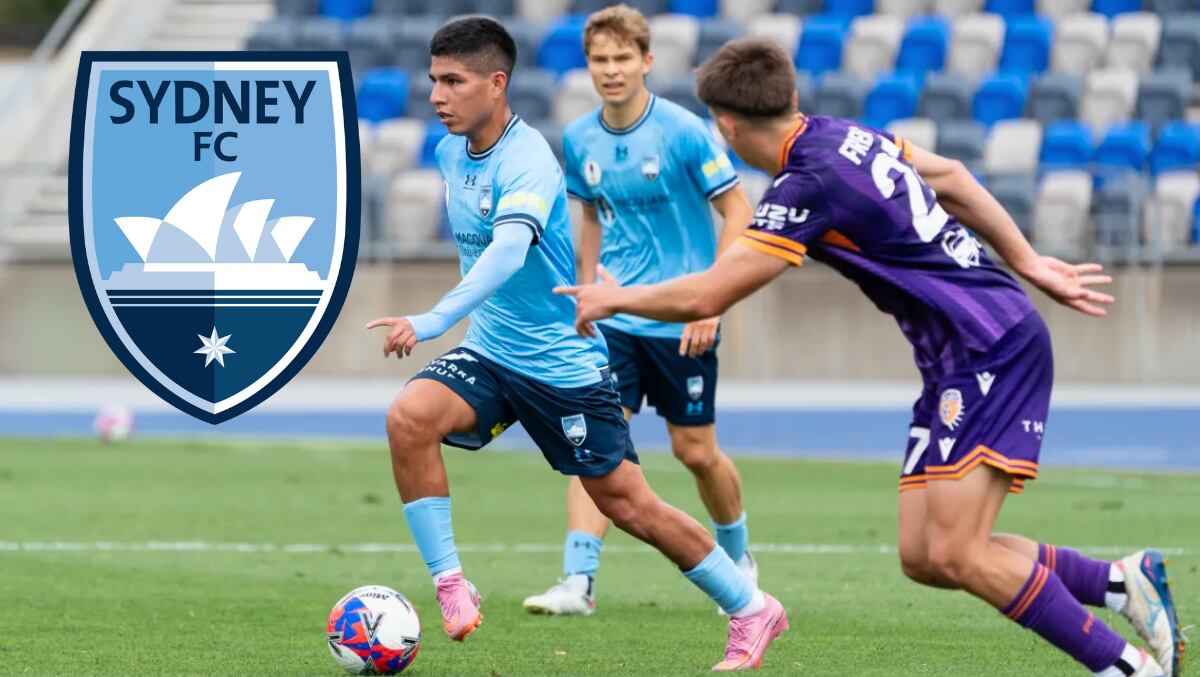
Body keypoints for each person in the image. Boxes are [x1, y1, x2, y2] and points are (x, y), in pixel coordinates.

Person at [557, 38, 1184, 677]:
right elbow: (955, 178)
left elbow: (711, 292)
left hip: (989, 348)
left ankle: (1127, 668)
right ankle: (1116, 582)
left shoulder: (805, 186)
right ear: (793, 98)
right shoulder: (842, 135)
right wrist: (1025, 262)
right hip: (960, 353)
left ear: (726, 126)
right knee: (925, 553)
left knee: (961, 552)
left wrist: (613, 299)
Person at [366, 20, 787, 671]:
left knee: (630, 503)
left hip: (563, 367)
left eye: (453, 81)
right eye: (433, 81)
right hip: (492, 352)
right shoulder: (452, 154)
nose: (437, 95)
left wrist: (432, 318)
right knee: (408, 417)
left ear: (496, 83)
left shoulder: (530, 157)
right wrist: (585, 282)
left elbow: (508, 250)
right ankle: (454, 583)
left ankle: (750, 604)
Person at [522, 4, 757, 617]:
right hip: (615, 319)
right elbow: (592, 218)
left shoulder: (682, 131)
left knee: (695, 451)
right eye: (600, 59)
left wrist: (715, 296)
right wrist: (585, 297)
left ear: (646, 61)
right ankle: (578, 581)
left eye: (622, 58)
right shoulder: (578, 138)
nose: (611, 70)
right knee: (595, 444)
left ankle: (738, 557)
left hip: (684, 315)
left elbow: (739, 211)